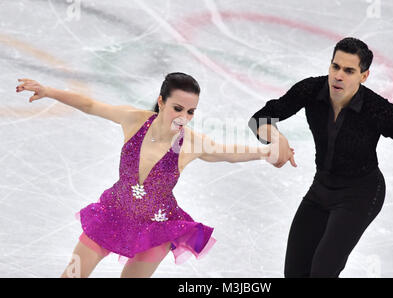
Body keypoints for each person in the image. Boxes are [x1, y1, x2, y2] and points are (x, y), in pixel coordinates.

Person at [16, 72, 277, 278]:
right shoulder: (135, 120)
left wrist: (267, 152)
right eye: (177, 108)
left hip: (155, 228)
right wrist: (48, 91)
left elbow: (227, 152)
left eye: (190, 111)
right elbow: (90, 104)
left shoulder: (191, 143)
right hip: (110, 215)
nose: (183, 117)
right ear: (161, 101)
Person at [248, 37, 393, 278]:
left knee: (322, 271)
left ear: (364, 76)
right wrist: (275, 138)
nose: (339, 75)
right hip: (321, 189)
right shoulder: (311, 90)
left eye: (349, 70)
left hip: (361, 194)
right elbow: (260, 119)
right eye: (335, 67)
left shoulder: (376, 109)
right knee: (295, 272)